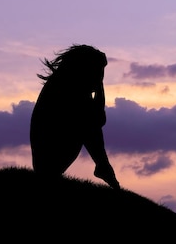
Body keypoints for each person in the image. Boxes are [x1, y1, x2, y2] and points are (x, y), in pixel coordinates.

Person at [30, 44, 120, 189]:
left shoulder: (68, 85)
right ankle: (103, 167)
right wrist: (99, 88)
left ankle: (103, 167)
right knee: (90, 125)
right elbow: (96, 120)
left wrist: (99, 87)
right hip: (51, 152)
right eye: (98, 71)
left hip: (54, 151)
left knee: (90, 124)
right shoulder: (66, 89)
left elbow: (97, 119)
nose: (100, 76)